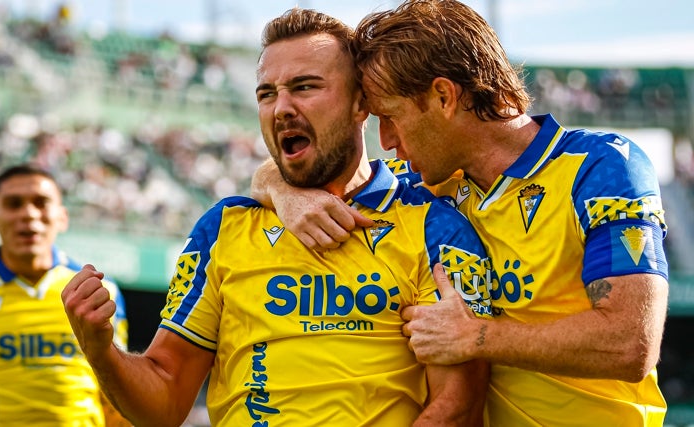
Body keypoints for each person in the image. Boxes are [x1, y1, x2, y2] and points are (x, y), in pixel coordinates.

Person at [61, 8, 492, 427]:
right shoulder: (223, 229)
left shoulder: (435, 227)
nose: (281, 108)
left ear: (362, 103)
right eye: (267, 93)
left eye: (304, 87)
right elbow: (164, 402)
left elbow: (457, 407)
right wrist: (103, 351)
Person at [251, 0, 670, 425]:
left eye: (390, 116)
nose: (387, 139)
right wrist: (283, 191)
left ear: (443, 96)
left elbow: (629, 343)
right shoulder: (425, 183)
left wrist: (475, 337)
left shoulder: (600, 167)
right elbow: (310, 172)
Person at [0, 164, 129, 427]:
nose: (28, 213)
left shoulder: (101, 292)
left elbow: (118, 396)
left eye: (41, 203)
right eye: (14, 204)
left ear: (62, 217)